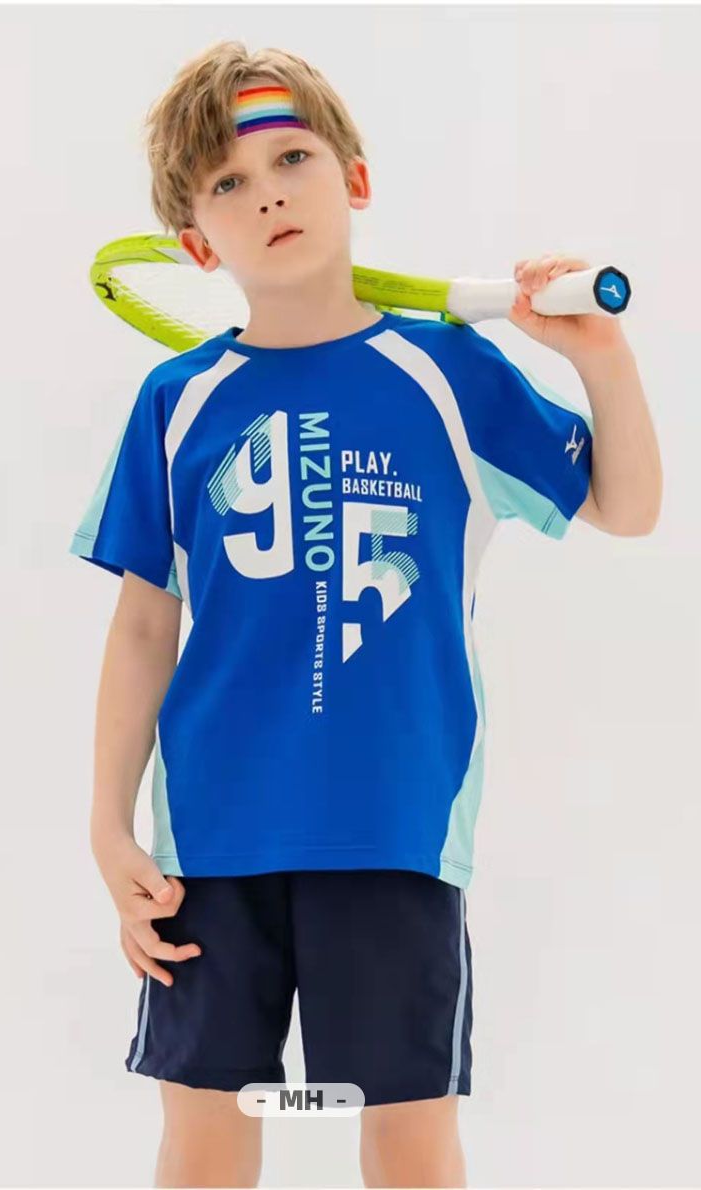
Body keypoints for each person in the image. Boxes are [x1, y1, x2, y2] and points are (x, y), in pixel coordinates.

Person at [69, 40, 661, 1190]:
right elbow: (144, 626)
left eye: (291, 158)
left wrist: (601, 358)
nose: (267, 193)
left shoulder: (448, 372)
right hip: (210, 842)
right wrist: (107, 826)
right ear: (197, 244)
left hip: (395, 826)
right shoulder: (177, 399)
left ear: (354, 178)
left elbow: (625, 507)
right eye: (228, 183)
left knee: (408, 1142)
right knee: (202, 1138)